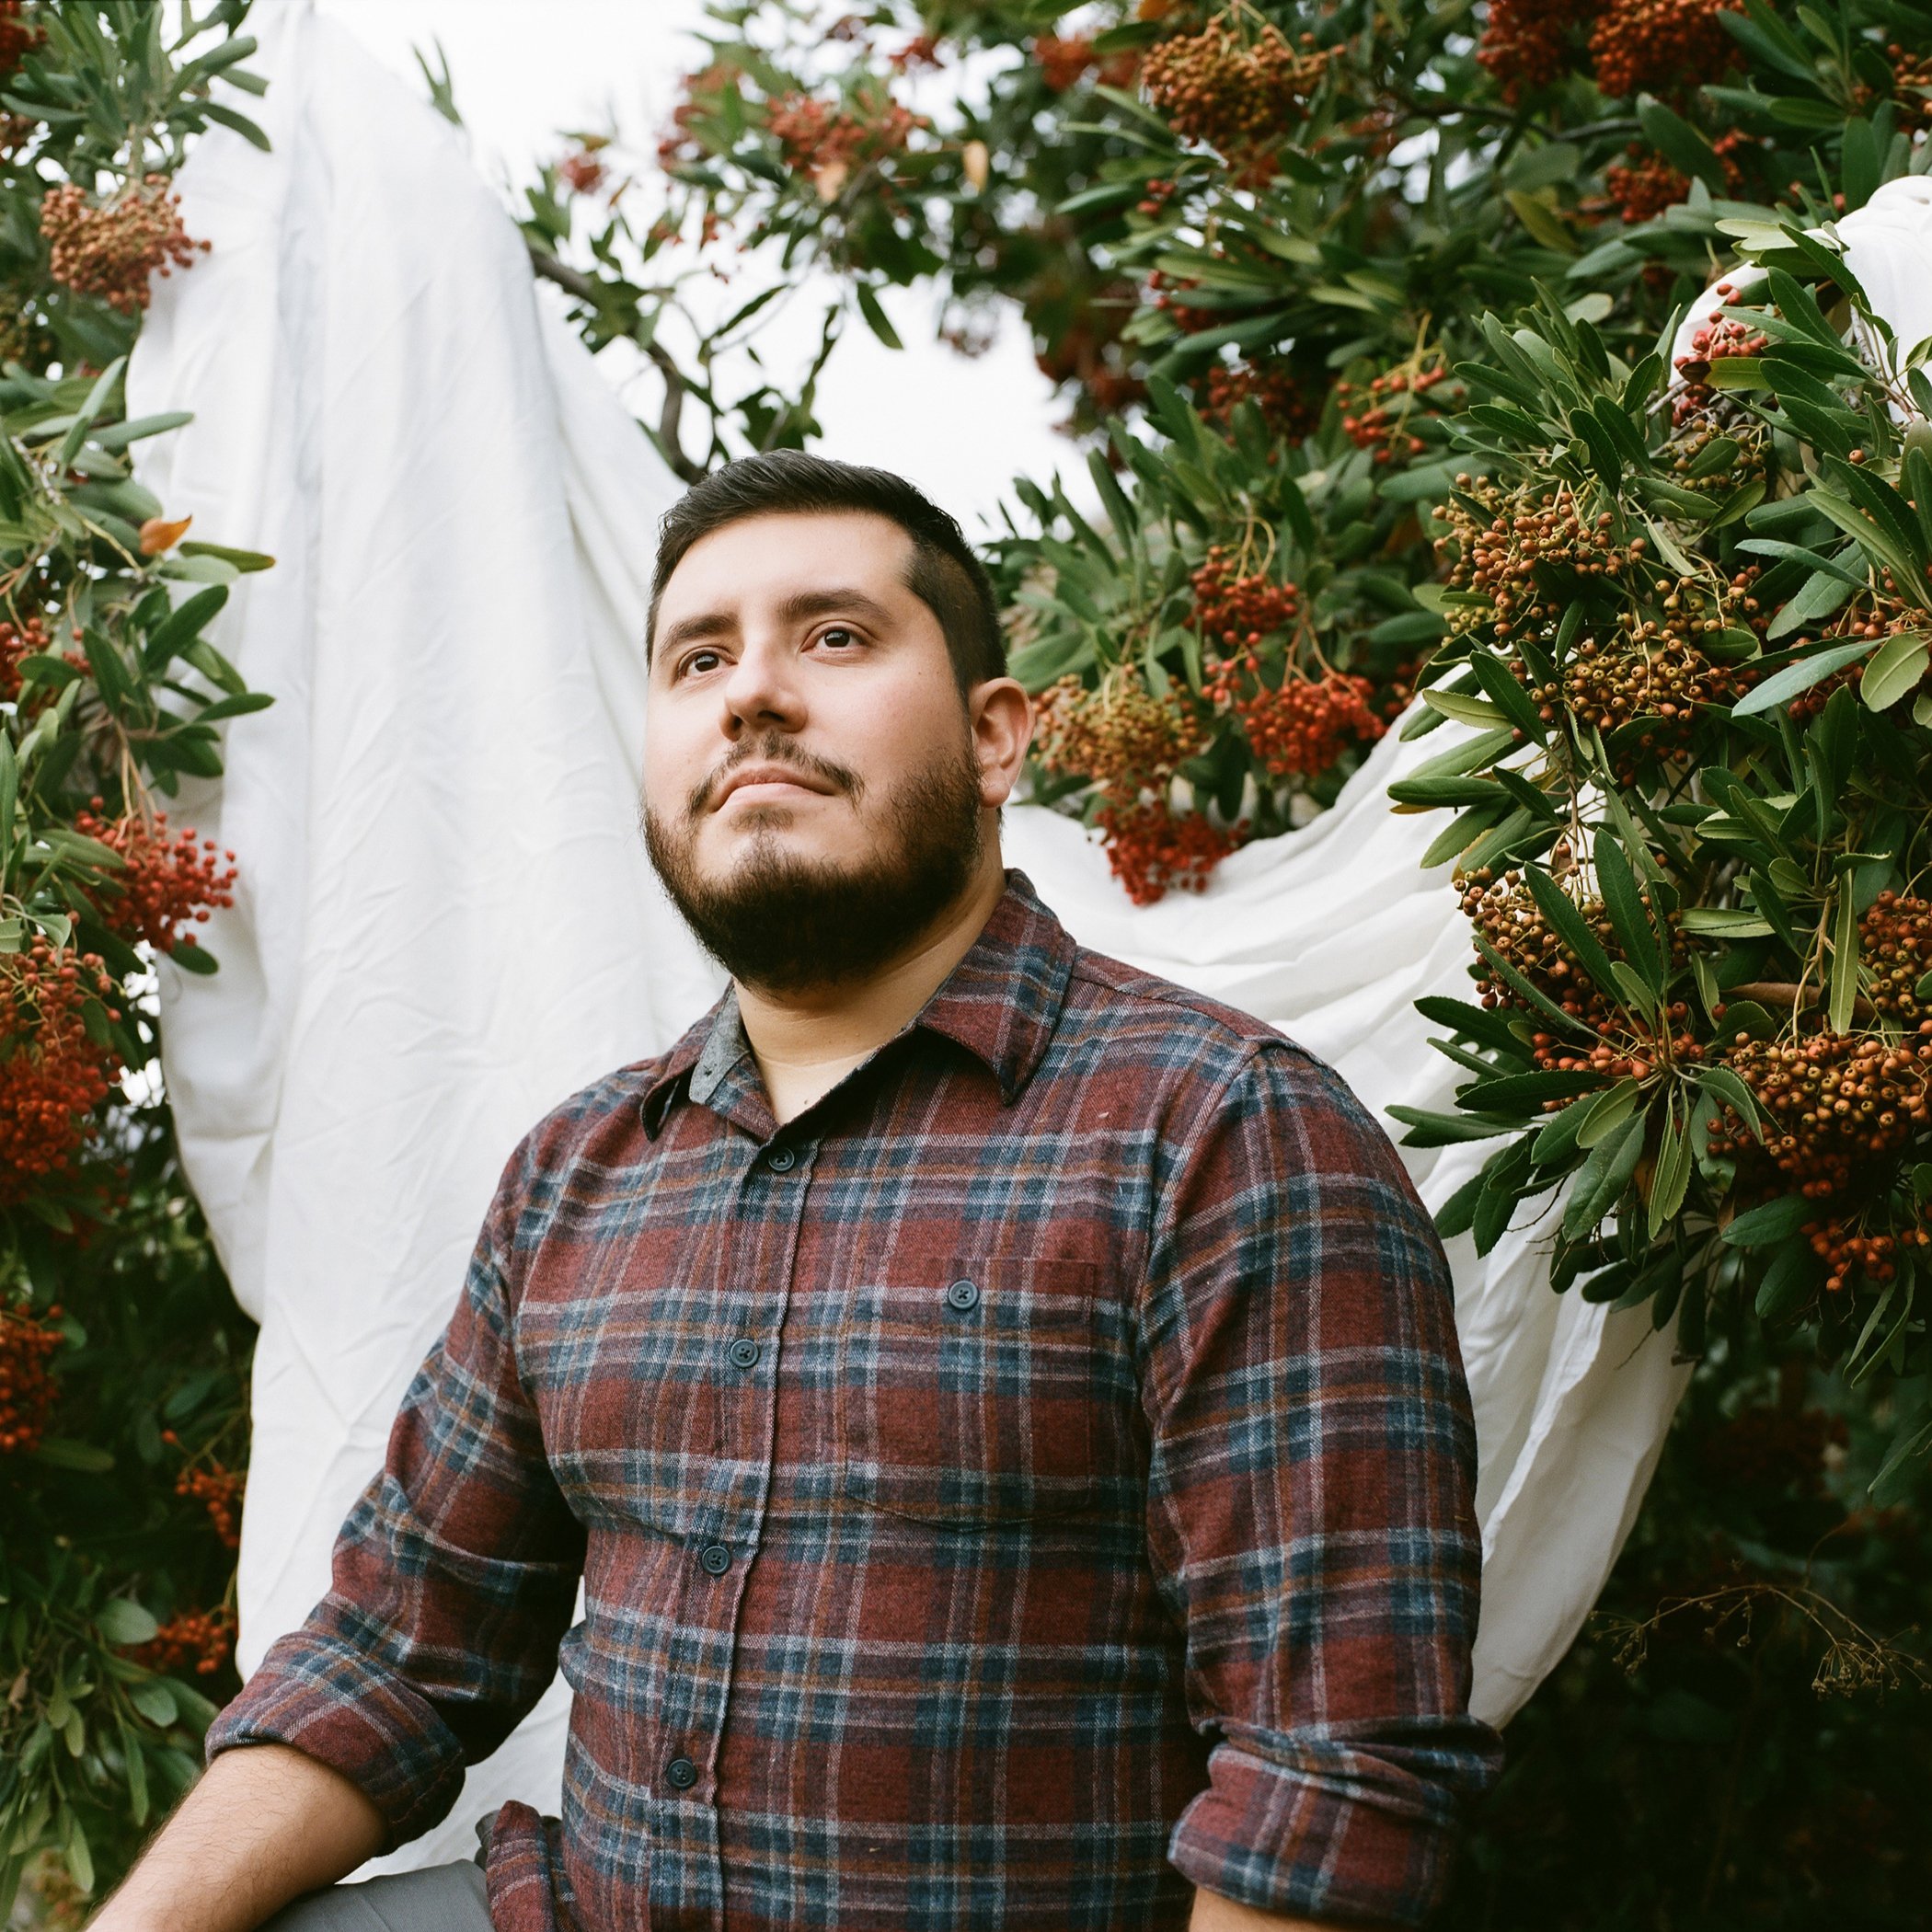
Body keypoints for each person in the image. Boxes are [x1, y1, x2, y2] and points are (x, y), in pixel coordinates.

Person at [92, 453, 1503, 1932]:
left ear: (995, 737)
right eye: (698, 658)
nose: (752, 693)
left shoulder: (1223, 1135)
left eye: (833, 636)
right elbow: (398, 1648)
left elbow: (1329, 1781)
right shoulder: (578, 1175)